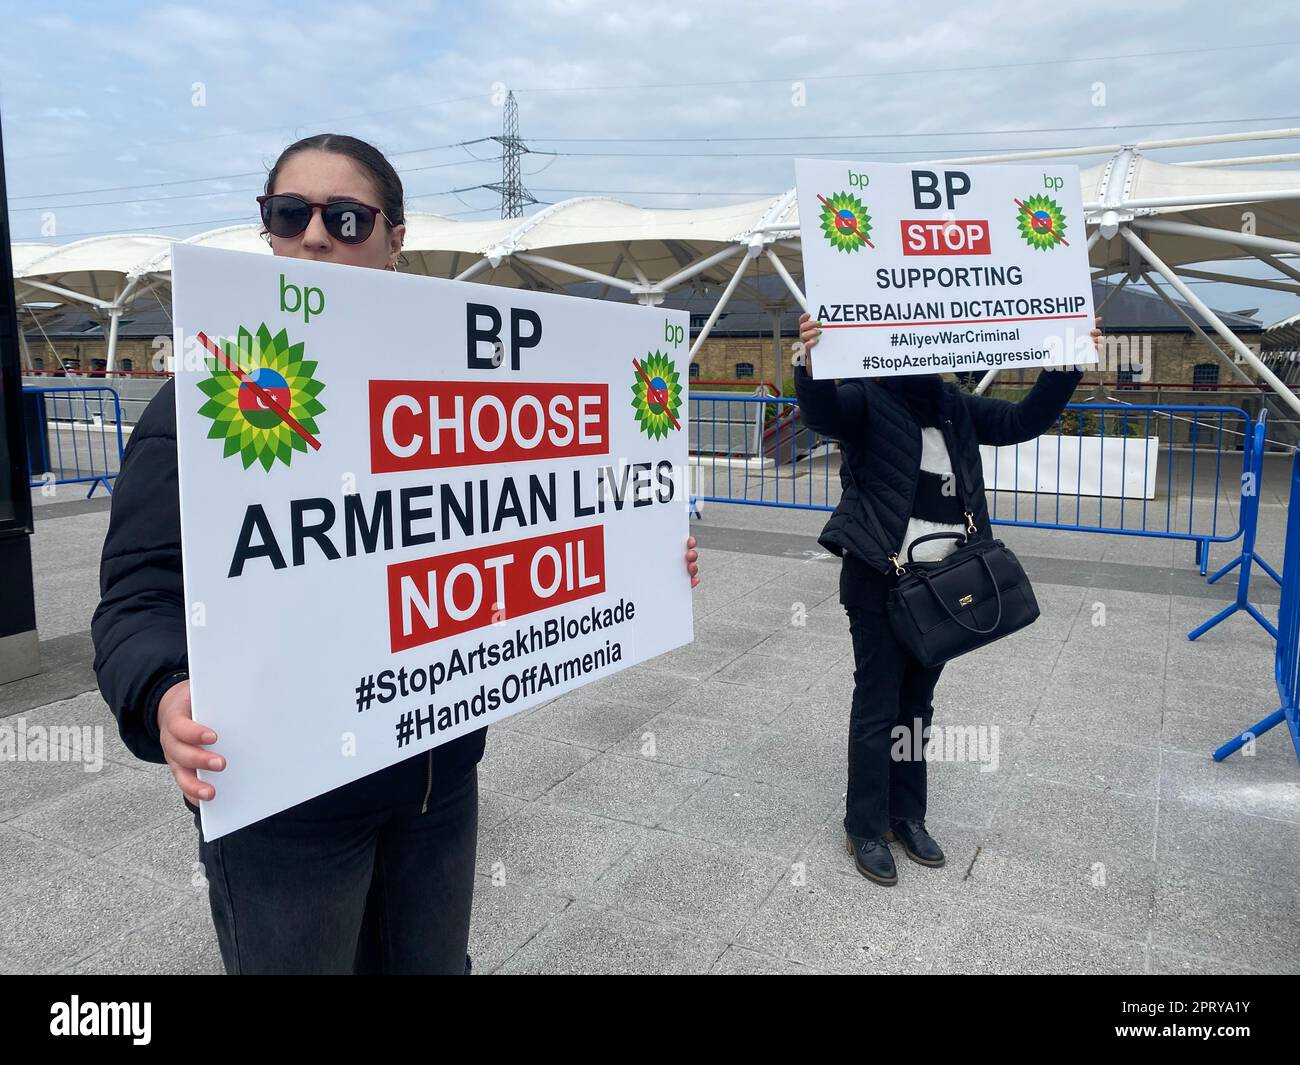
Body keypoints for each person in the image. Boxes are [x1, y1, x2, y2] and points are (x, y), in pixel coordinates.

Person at [91, 133, 702, 974]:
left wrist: (643, 555)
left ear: (394, 239)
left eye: (346, 217)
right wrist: (162, 689)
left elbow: (534, 517)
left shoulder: (465, 384)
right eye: (288, 214)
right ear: (265, 229)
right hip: (283, 802)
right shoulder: (203, 400)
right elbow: (136, 598)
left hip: (435, 781)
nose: (314, 236)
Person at [794, 312, 1098, 886]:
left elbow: (1023, 420)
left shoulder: (954, 405)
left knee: (918, 706)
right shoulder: (868, 397)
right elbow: (824, 414)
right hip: (880, 579)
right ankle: (864, 824)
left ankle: (907, 815)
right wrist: (809, 363)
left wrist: (1065, 362)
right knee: (879, 703)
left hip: (941, 588)